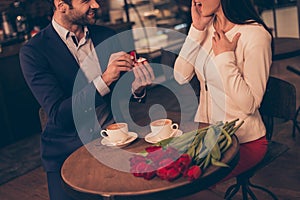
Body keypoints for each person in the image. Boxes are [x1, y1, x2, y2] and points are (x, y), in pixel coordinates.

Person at [19, 0, 154, 199]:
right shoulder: (33, 52)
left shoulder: (106, 36)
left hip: (117, 142)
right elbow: (58, 113)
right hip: (67, 152)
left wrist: (138, 87)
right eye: (86, 0)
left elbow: (122, 91)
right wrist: (105, 79)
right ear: (60, 4)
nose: (96, 4)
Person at [174, 0, 272, 180]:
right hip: (205, 136)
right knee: (167, 173)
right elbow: (180, 76)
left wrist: (225, 58)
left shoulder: (255, 36)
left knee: (186, 183)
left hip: (242, 142)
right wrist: (196, 29)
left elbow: (249, 105)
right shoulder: (206, 27)